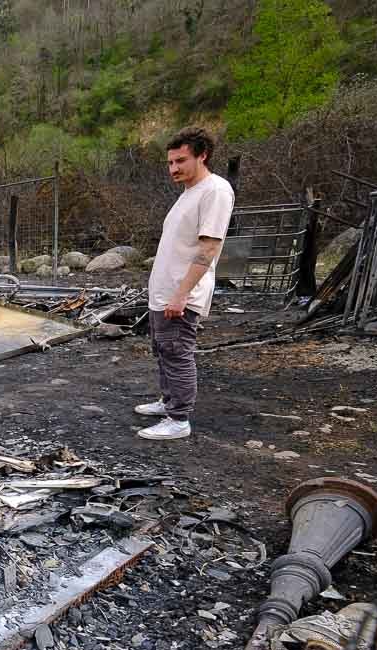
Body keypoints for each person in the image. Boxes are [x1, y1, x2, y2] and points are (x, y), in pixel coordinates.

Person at [135, 127, 235, 440]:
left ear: (202, 154)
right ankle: (169, 402)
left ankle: (179, 419)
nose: (174, 168)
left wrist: (181, 295)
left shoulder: (214, 191)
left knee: (177, 352)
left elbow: (208, 249)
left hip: (181, 294)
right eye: (170, 163)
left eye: (181, 160)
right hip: (164, 293)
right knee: (163, 350)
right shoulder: (189, 193)